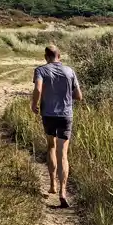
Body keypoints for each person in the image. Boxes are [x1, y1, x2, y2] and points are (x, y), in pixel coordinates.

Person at [31, 44, 82, 208]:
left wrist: (34, 104)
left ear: (46, 57)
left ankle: (52, 184)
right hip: (66, 115)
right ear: (59, 56)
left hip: (48, 114)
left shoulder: (41, 70)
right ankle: (63, 191)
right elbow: (78, 96)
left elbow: (38, 89)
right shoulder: (70, 71)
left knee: (51, 147)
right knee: (63, 154)